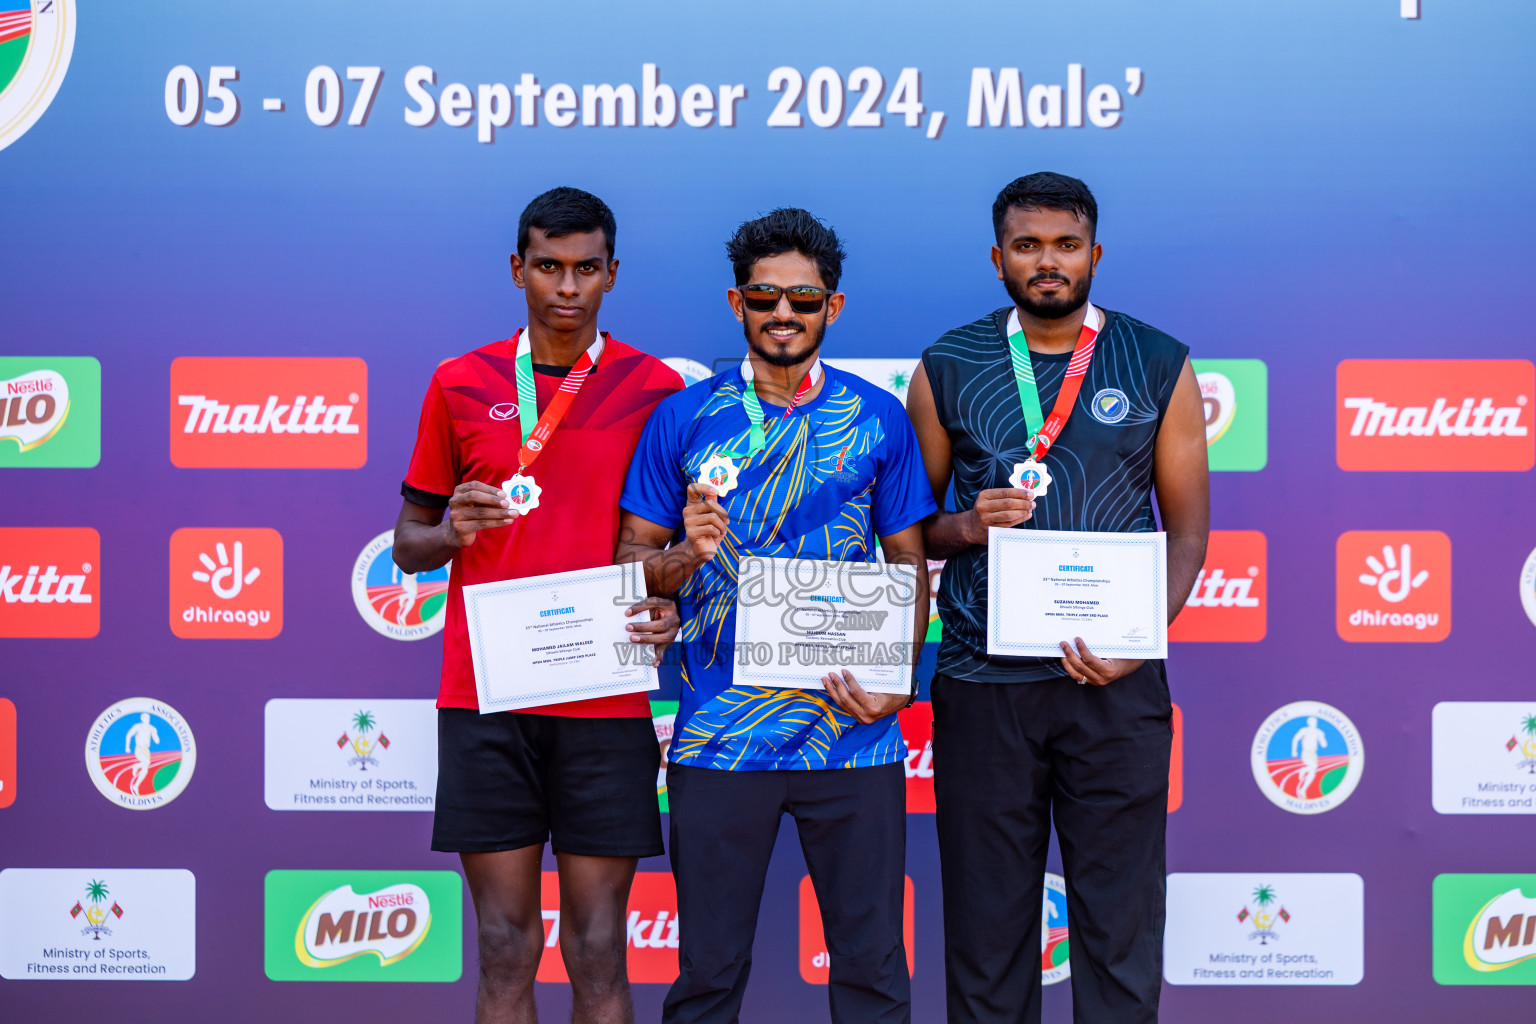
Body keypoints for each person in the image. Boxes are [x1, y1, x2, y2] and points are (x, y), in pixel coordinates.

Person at [616, 208, 935, 1024]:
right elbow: (628, 571)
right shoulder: (682, 419)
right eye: (766, 298)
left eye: (803, 297)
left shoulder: (877, 416)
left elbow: (907, 563)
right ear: (737, 304)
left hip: (852, 734)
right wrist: (684, 555)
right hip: (717, 739)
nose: (784, 314)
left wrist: (896, 683)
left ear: (833, 306)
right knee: (707, 977)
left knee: (871, 973)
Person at [905, 172, 1209, 1023]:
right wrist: (968, 526)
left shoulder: (1157, 361)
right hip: (982, 682)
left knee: (1118, 930)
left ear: (1095, 255)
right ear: (997, 258)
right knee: (986, 931)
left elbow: (1186, 534)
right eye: (1029, 246)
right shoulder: (947, 366)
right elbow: (911, 532)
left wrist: (1140, 634)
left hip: (1114, 684)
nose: (1048, 262)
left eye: (1066, 245)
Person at [391, 187, 684, 1024]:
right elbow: (408, 541)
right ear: (517, 269)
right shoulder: (459, 382)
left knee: (597, 949)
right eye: (549, 267)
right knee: (505, 945)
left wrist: (667, 602)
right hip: (485, 697)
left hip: (605, 694)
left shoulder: (653, 389)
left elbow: (662, 548)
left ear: (612, 275)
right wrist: (449, 532)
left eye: (585, 269)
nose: (567, 287)